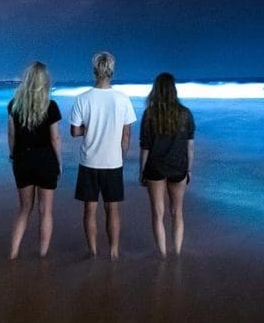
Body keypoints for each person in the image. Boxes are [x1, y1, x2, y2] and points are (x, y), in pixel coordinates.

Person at [69, 51, 136, 259]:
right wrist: (121, 157)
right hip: (113, 162)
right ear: (112, 71)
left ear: (94, 71)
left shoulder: (82, 98)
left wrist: (88, 129)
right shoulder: (123, 99)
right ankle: (114, 250)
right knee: (112, 209)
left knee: (90, 209)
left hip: (89, 161)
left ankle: (93, 251)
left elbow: (74, 131)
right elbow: (126, 135)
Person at [7, 61, 63, 259]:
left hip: (22, 160)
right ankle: (42, 253)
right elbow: (55, 138)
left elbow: (11, 136)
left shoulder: (14, 105)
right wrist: (59, 162)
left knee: (24, 210)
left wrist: (14, 156)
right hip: (45, 160)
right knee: (45, 211)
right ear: (44, 81)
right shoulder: (50, 105)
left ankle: (13, 253)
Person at [139, 72, 195, 257]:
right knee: (177, 212)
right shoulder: (185, 114)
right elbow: (190, 146)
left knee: (158, 213)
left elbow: (145, 146)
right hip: (178, 167)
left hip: (155, 167)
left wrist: (142, 171)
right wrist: (189, 170)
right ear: (174, 90)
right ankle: (177, 252)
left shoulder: (149, 114)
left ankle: (162, 254)